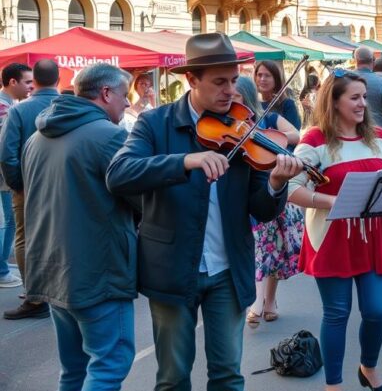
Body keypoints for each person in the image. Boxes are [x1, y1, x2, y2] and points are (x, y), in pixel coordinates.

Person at [106, 33, 304, 391]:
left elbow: (262, 208)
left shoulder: (246, 128)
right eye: (219, 82)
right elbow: (119, 174)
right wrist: (184, 161)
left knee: (228, 375)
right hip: (172, 266)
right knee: (173, 377)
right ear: (192, 79)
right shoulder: (155, 123)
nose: (231, 90)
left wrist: (276, 184)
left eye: (232, 80)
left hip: (228, 269)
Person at [22, 63, 134, 390]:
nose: (127, 104)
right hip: (96, 272)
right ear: (105, 93)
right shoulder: (110, 136)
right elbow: (141, 198)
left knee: (73, 369)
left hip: (50, 268)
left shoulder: (37, 137)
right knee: (110, 362)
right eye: (124, 96)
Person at [287, 70, 382, 391]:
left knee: (376, 312)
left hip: (376, 235)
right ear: (334, 102)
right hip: (332, 236)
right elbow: (293, 190)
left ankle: (368, 367)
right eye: (354, 97)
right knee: (337, 313)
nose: (363, 103)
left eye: (364, 96)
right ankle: (333, 385)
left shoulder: (377, 135)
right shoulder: (315, 140)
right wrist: (334, 199)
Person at [232, 76, 303, 328]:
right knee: (262, 249)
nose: (231, 101)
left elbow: (295, 134)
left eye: (237, 97)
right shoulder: (228, 126)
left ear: (247, 98)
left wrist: (268, 138)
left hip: (275, 189)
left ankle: (270, 300)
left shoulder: (269, 119)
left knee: (275, 249)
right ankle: (258, 300)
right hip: (253, 195)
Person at [0, 59, 60, 320]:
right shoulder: (71, 105)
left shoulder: (20, 110)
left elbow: (6, 153)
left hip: (28, 184)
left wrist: (17, 183)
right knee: (60, 236)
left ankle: (35, 298)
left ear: (34, 81)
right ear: (58, 80)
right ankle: (59, 291)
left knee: (25, 238)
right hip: (64, 185)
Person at [0, 62, 30, 290]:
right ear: (13, 82)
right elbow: (6, 149)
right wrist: (15, 181)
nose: (31, 87)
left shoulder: (9, 105)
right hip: (4, 175)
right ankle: (1, 270)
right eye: (27, 82)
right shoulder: (5, 108)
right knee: (10, 221)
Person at [354, 46, 382, 133]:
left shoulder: (344, 80)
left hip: (351, 133)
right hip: (378, 134)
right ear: (373, 61)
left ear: (355, 60)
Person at [254, 60, 303, 131]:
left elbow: (295, 136)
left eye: (267, 75)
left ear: (276, 79)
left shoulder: (287, 105)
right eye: (259, 75)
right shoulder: (254, 103)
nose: (262, 79)